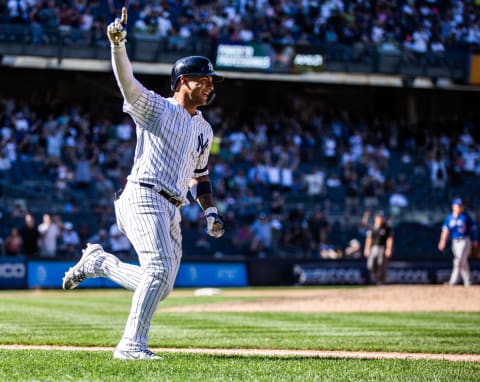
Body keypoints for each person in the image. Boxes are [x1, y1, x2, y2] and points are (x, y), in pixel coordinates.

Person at [62, 7, 225, 361]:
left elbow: (201, 176)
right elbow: (129, 84)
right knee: (157, 272)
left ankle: (99, 264)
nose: (211, 85)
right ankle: (130, 346)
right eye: (204, 79)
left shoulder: (204, 129)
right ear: (184, 81)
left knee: (161, 285)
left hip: (173, 206)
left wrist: (210, 212)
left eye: (212, 80)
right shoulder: (158, 108)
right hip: (143, 195)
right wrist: (118, 46)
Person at [437, 198, 478, 287]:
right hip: (455, 241)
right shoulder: (449, 218)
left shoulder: (466, 217)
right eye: (458, 206)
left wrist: (475, 240)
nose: (459, 207)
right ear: (453, 207)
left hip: (465, 240)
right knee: (463, 261)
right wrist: (442, 241)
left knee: (458, 260)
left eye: (461, 206)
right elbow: (445, 231)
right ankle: (468, 281)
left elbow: (473, 229)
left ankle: (453, 281)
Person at [363, 211, 393, 285]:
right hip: (373, 248)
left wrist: (388, 249)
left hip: (382, 248)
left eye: (381, 217)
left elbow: (389, 239)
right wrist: (367, 249)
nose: (379, 219)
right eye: (378, 217)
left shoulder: (386, 227)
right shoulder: (372, 227)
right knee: (370, 265)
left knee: (381, 264)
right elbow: (369, 238)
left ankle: (380, 280)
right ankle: (375, 278)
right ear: (375, 218)